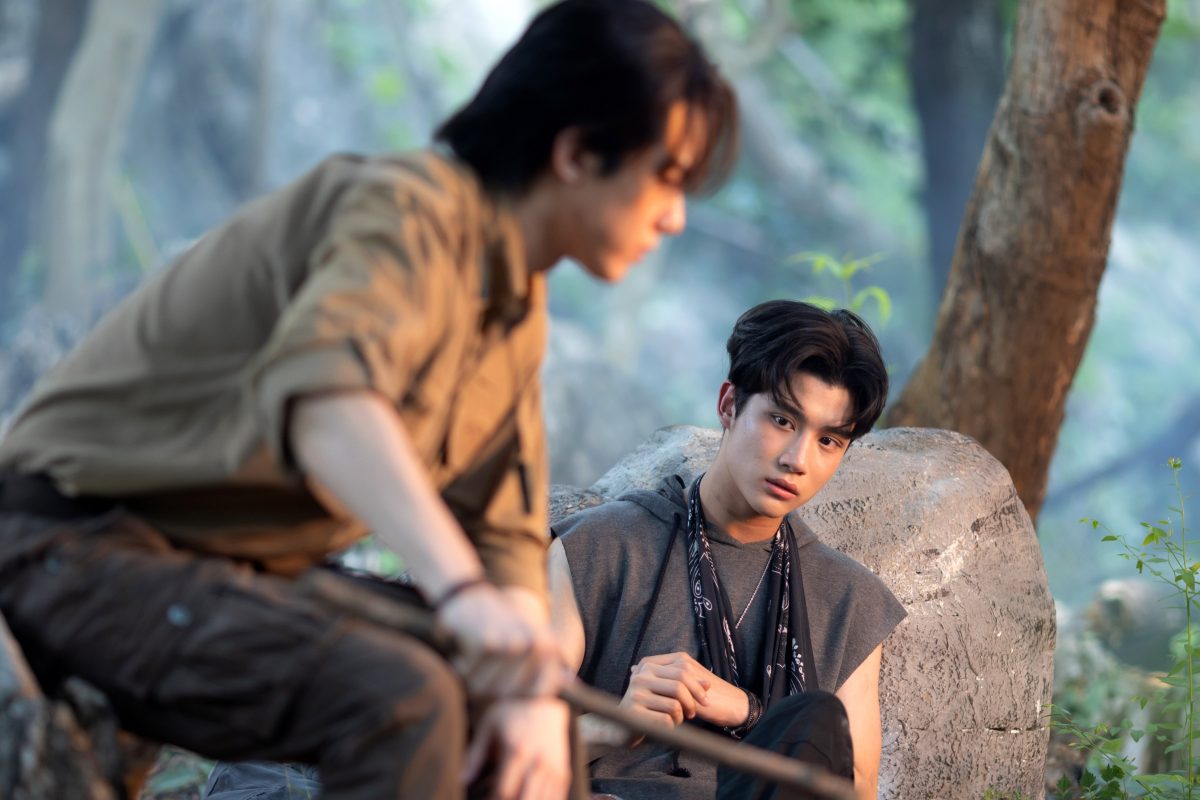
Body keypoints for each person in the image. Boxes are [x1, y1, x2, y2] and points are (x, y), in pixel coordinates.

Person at [0, 0, 737, 797]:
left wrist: (525, 687)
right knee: (399, 701)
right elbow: (330, 406)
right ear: (577, 152)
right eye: (667, 177)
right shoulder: (405, 209)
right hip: (66, 544)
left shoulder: (512, 308)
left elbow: (506, 535)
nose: (674, 218)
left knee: (520, 710)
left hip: (211, 571)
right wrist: (462, 597)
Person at [549, 300, 905, 800]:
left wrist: (750, 712)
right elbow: (507, 737)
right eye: (782, 420)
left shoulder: (849, 600)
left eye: (828, 441)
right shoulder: (599, 547)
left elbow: (857, 791)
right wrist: (614, 725)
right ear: (729, 405)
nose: (797, 460)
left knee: (815, 719)